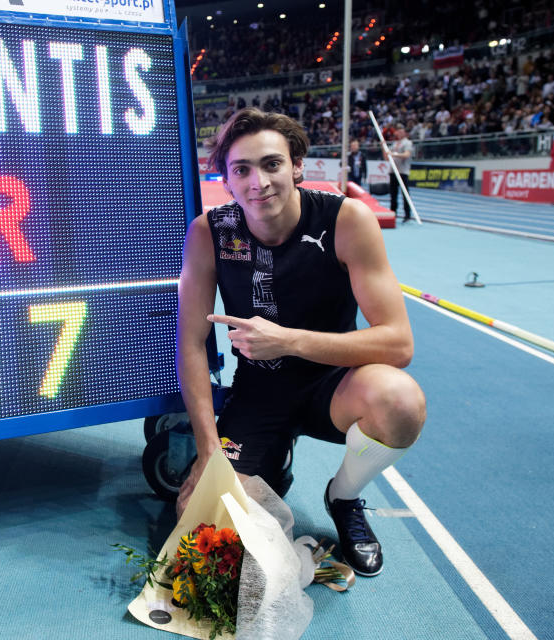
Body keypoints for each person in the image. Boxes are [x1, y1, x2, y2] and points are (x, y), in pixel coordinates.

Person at [175, 108, 425, 577]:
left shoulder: (347, 221)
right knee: (207, 534)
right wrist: (207, 448)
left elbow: (398, 344)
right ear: (226, 180)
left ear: (296, 165)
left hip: (334, 388)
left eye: (271, 164)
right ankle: (272, 459)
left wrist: (287, 341)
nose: (258, 182)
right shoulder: (210, 233)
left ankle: (343, 497)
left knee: (400, 401)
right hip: (258, 394)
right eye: (242, 169)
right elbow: (190, 342)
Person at [386, 124, 413, 221]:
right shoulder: (394, 143)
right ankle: (393, 213)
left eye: (402, 131)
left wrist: (393, 154)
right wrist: (383, 147)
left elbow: (406, 155)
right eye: (398, 131)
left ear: (405, 133)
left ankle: (407, 214)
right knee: (393, 194)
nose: (399, 133)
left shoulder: (407, 143)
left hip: (402, 172)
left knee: (405, 193)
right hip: (393, 171)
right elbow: (387, 157)